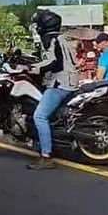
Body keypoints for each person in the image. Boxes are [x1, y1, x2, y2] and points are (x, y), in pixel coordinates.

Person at [27, 10, 81, 171]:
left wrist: (35, 69)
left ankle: (46, 156)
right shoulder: (61, 38)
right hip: (68, 80)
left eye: (39, 24)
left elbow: (55, 63)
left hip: (60, 83)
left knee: (40, 116)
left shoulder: (50, 38)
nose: (37, 27)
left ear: (45, 24)